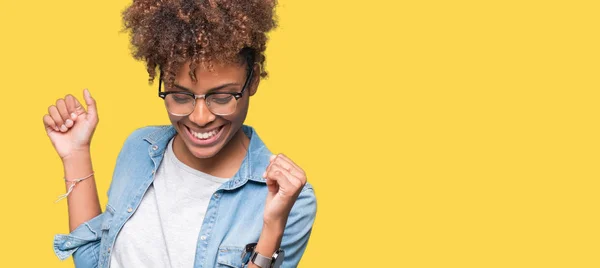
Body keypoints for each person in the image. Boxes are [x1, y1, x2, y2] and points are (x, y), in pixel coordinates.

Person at [44, 0, 317, 267]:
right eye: (180, 96)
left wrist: (271, 229)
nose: (200, 118)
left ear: (253, 80)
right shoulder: (139, 147)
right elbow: (93, 260)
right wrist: (76, 154)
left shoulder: (289, 198)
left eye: (221, 97)